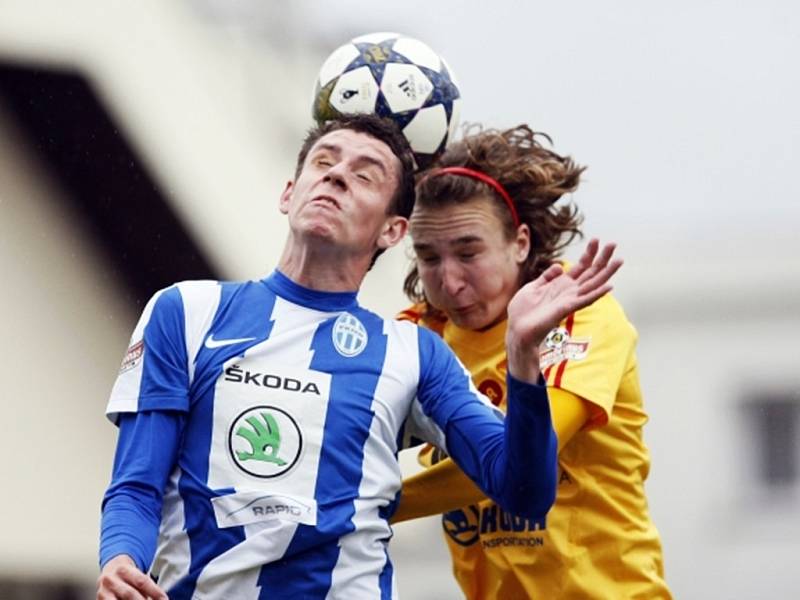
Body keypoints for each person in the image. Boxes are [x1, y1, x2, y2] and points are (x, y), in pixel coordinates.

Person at [96, 114, 622, 600]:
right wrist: (120, 558)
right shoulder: (185, 311)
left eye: (365, 174)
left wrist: (523, 358)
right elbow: (136, 487)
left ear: (392, 231)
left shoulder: (413, 353)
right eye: (323, 162)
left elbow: (525, 491)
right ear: (289, 192)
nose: (337, 176)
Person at [393, 125, 672, 599]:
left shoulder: (579, 313)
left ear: (519, 243)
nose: (450, 280)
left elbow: (518, 464)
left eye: (468, 252)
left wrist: (364, 504)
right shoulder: (421, 334)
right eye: (428, 257)